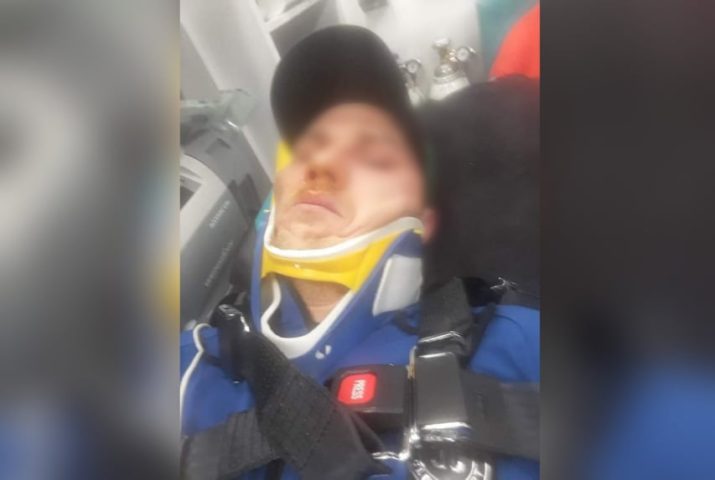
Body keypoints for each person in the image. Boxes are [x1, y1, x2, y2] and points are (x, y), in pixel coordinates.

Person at [180, 25, 539, 480]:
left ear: (422, 219)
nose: (321, 165)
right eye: (307, 148)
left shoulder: (518, 344)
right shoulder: (186, 366)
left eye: (373, 158)